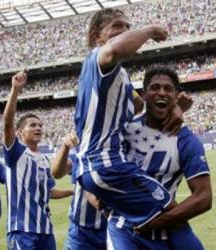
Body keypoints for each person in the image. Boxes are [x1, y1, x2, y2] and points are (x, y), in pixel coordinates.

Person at [74, 8, 180, 229]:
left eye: (127, 27)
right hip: (106, 164)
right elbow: (115, 49)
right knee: (172, 212)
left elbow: (138, 107)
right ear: (97, 35)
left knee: (130, 223)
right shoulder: (100, 58)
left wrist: (176, 108)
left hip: (97, 166)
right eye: (117, 26)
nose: (123, 31)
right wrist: (150, 29)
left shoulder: (117, 75)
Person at [107, 66, 212, 249]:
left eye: (168, 89)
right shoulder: (125, 131)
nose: (161, 92)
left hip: (169, 227)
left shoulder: (186, 141)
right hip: (124, 228)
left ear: (176, 96)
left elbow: (203, 197)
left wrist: (156, 222)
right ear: (144, 94)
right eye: (155, 88)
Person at [2, 70, 73, 250]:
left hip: (45, 230)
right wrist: (15, 90)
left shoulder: (43, 159)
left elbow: (50, 192)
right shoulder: (16, 152)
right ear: (20, 132)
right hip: (21, 230)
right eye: (32, 125)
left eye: (40, 125)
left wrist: (73, 192)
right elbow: (7, 123)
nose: (38, 128)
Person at [52, 132, 107, 250]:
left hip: (110, 228)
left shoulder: (121, 154)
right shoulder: (80, 156)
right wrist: (65, 147)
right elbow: (57, 172)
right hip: (80, 231)